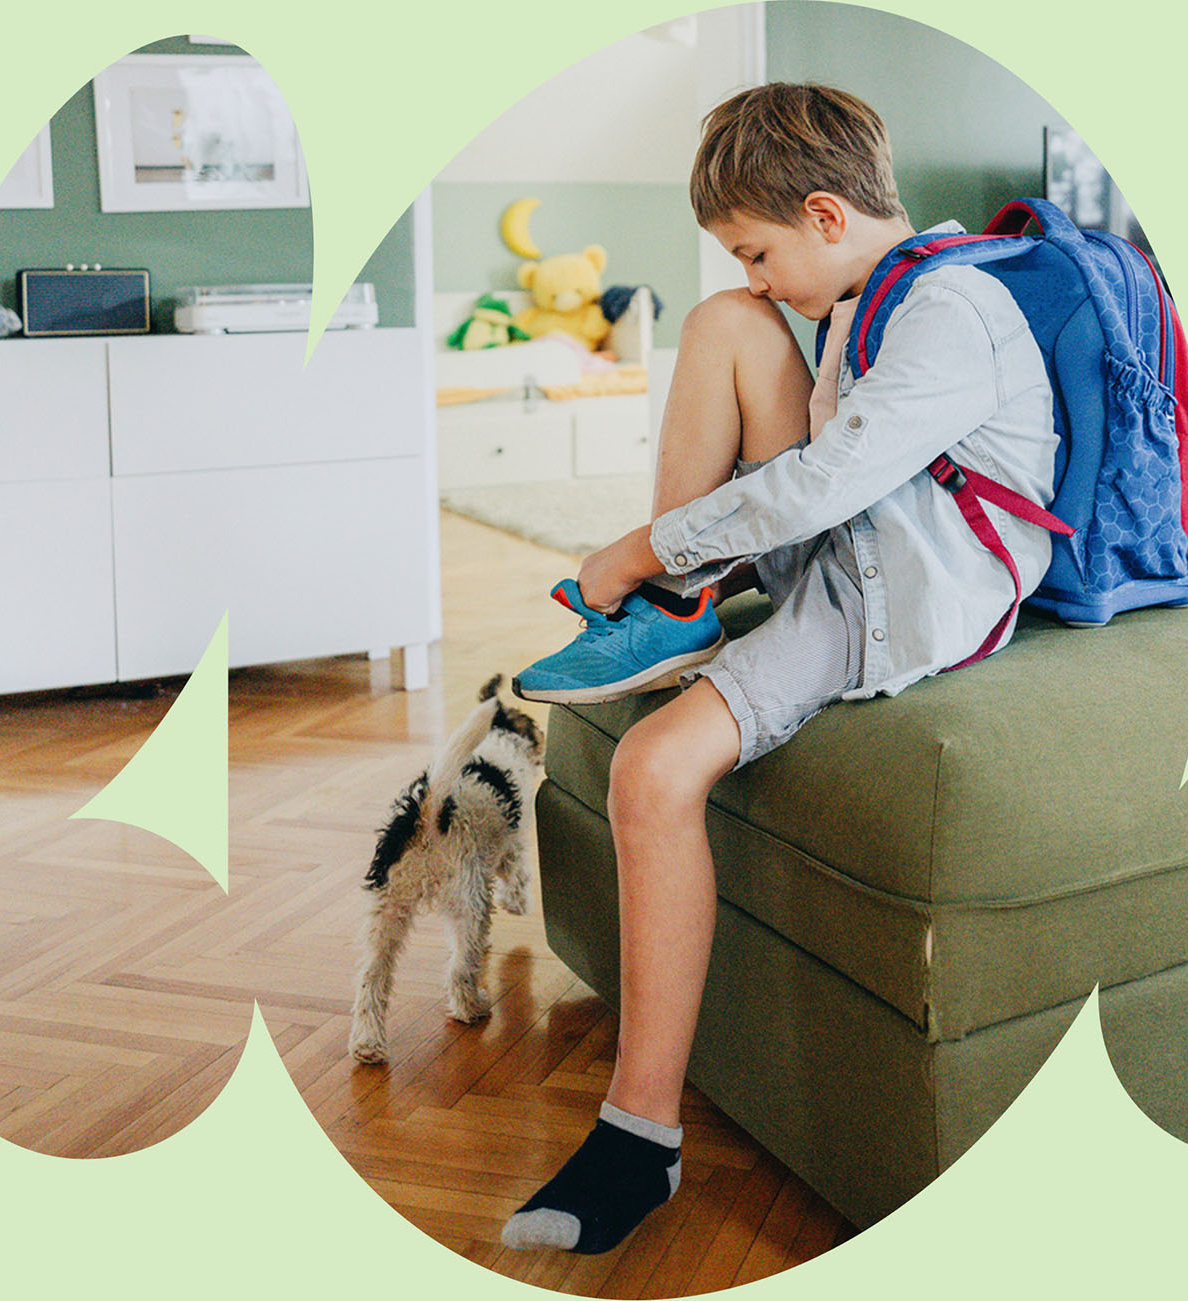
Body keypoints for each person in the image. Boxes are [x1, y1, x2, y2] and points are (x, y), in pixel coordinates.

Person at [501, 82, 1058, 1254]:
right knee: (716, 326)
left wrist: (639, 541)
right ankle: (680, 608)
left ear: (821, 213)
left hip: (892, 596)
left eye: (758, 251)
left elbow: (824, 486)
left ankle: (636, 1138)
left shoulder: (951, 310)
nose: (757, 275)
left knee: (654, 770)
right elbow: (828, 476)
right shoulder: (874, 297)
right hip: (864, 537)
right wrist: (682, 557)